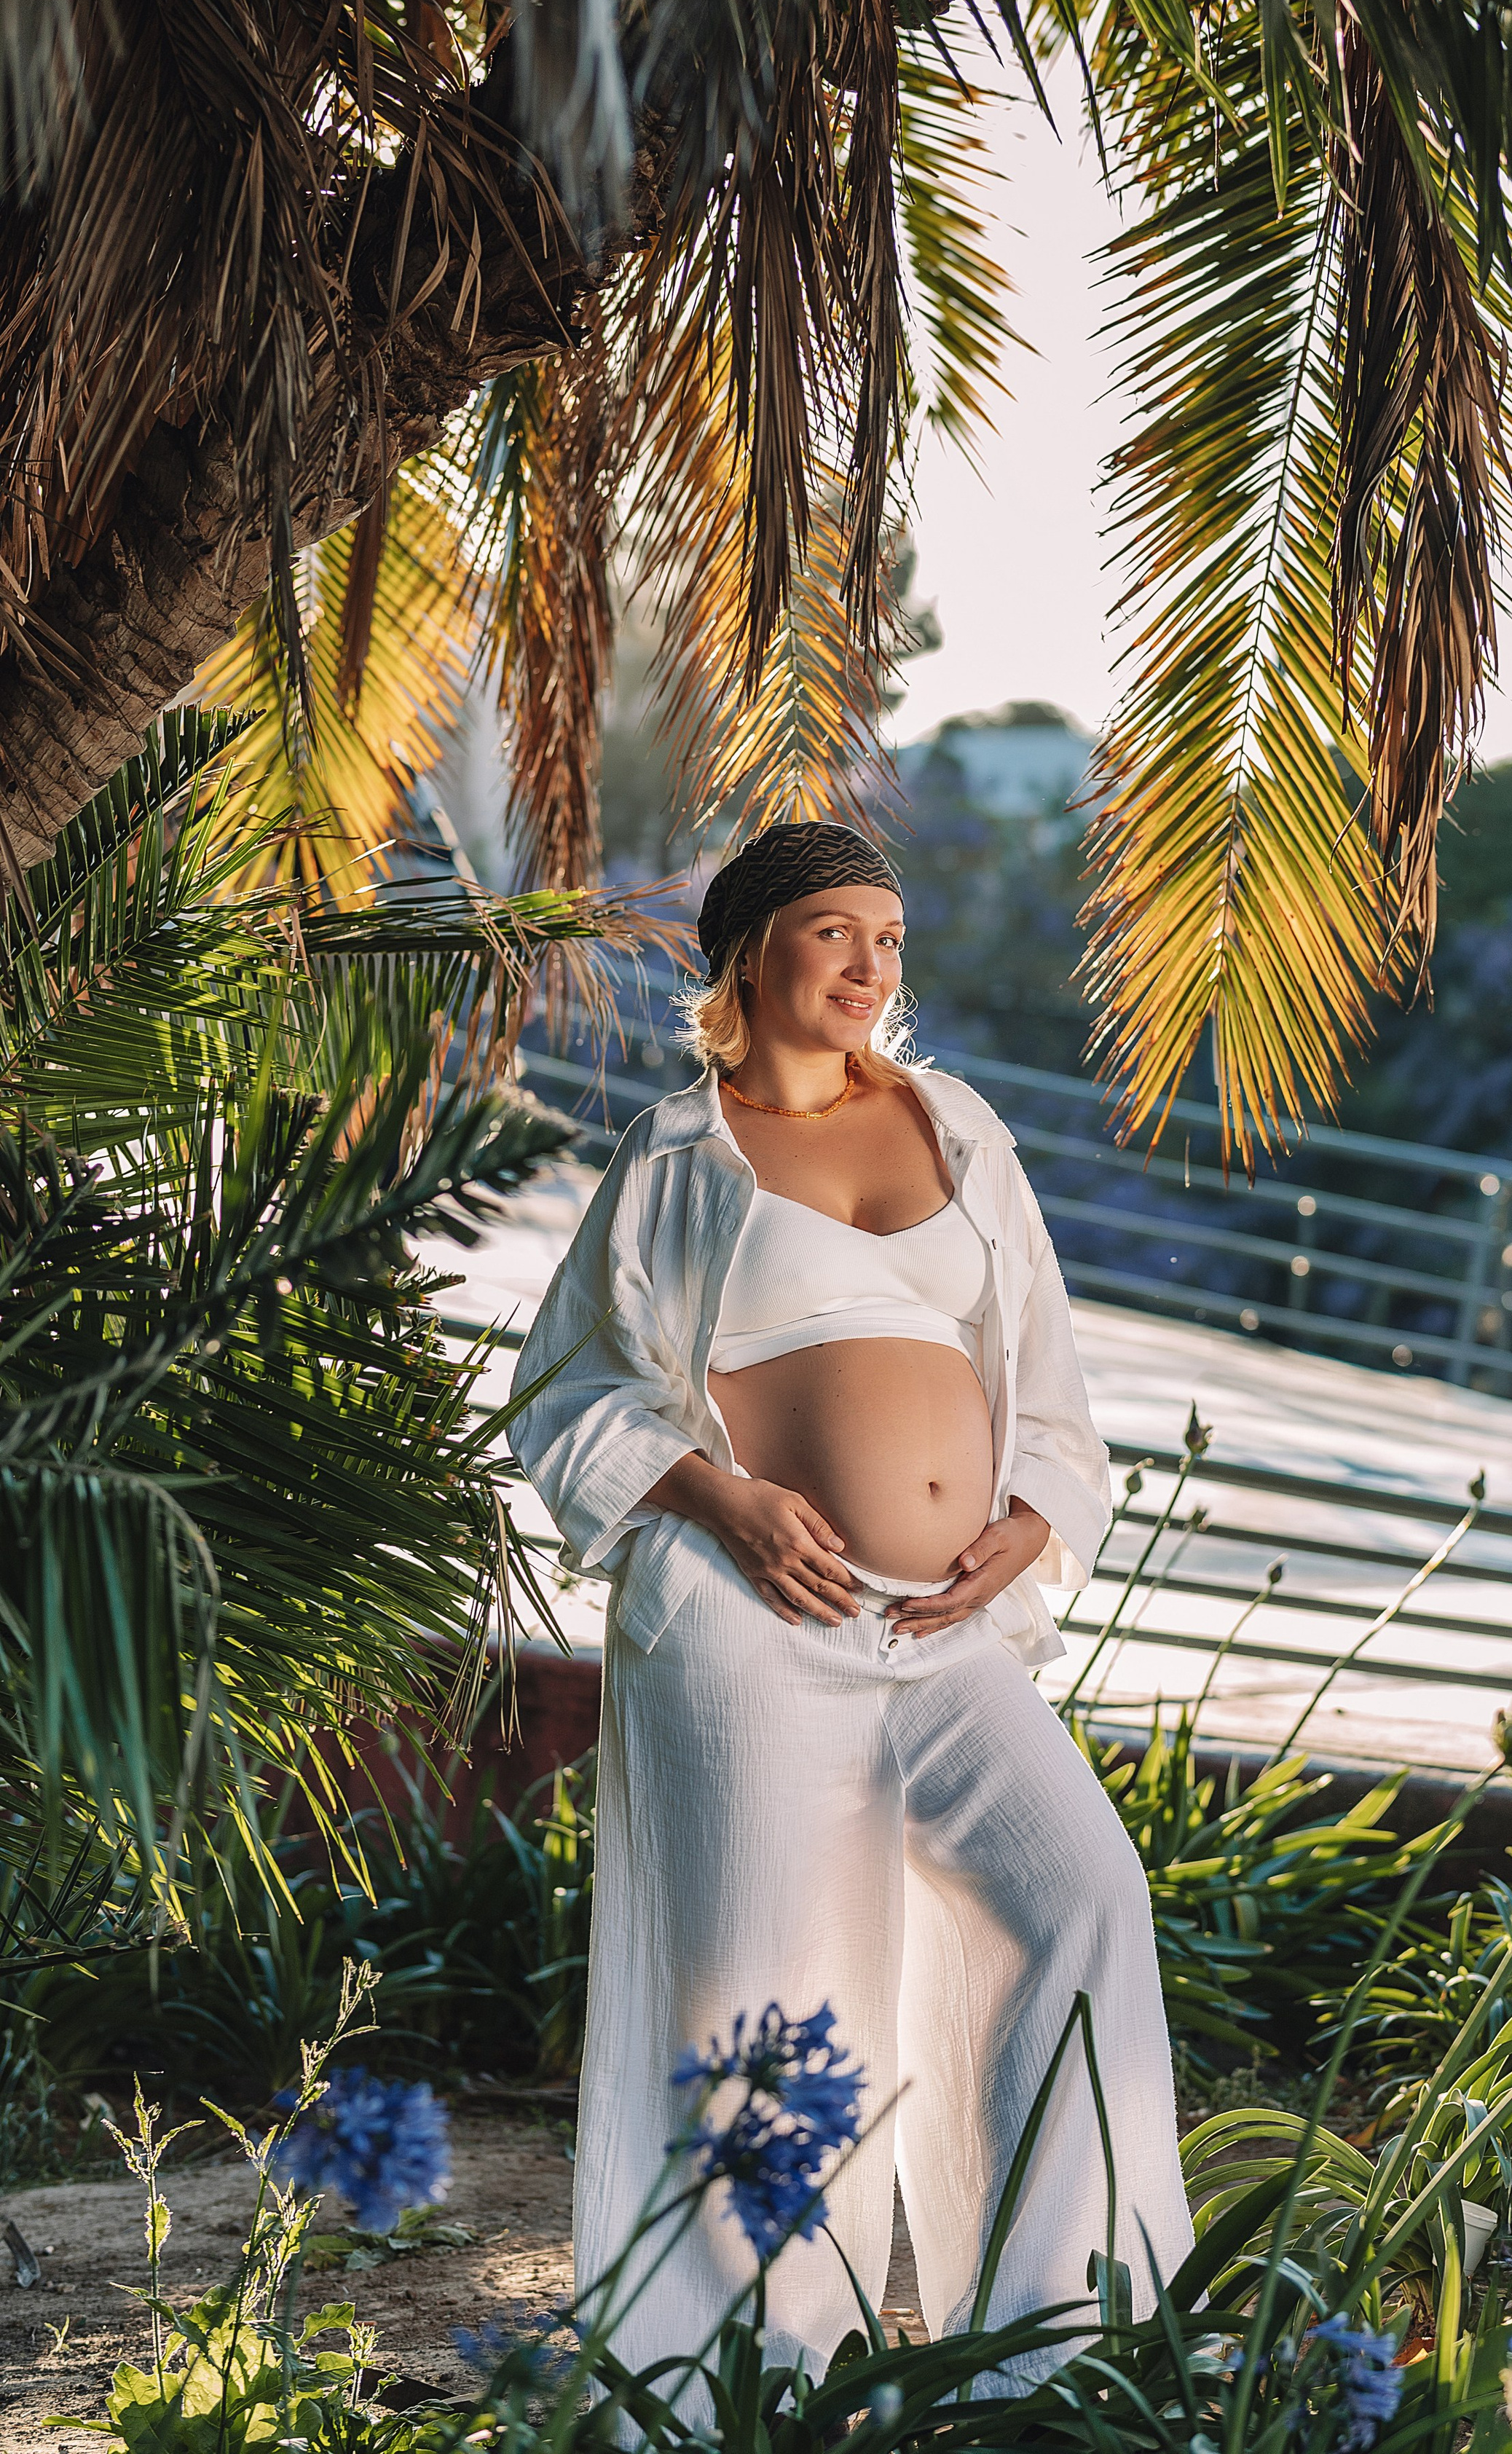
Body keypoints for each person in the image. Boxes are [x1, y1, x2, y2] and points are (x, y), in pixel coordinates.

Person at [511, 820, 1192, 2392]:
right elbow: (567, 1394)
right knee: (767, 2005)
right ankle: (749, 2392)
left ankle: (1044, 2357)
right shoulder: (680, 1157)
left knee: (1079, 1898)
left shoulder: (956, 1126)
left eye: (889, 936)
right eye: (835, 931)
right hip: (753, 1626)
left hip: (946, 1632)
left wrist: (1034, 1517)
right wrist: (719, 1496)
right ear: (749, 950)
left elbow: (1050, 1387)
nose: (873, 964)